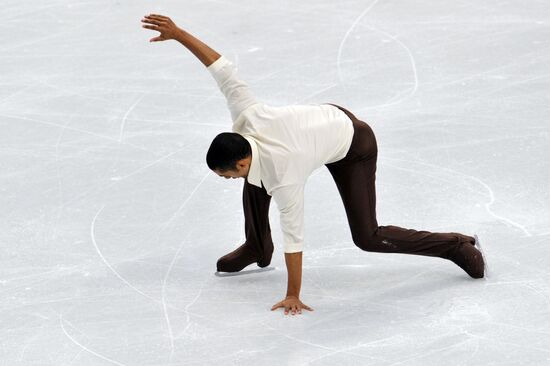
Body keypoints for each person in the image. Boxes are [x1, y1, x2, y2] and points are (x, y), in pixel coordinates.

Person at [141, 13, 485, 316]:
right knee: (256, 181)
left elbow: (295, 237)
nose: (226, 179)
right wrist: (179, 33)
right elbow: (223, 71)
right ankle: (258, 247)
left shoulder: (284, 173)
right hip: (320, 124)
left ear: (241, 158)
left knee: (367, 235)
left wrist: (293, 294)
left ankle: (455, 244)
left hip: (353, 144)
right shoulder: (247, 117)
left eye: (227, 173)